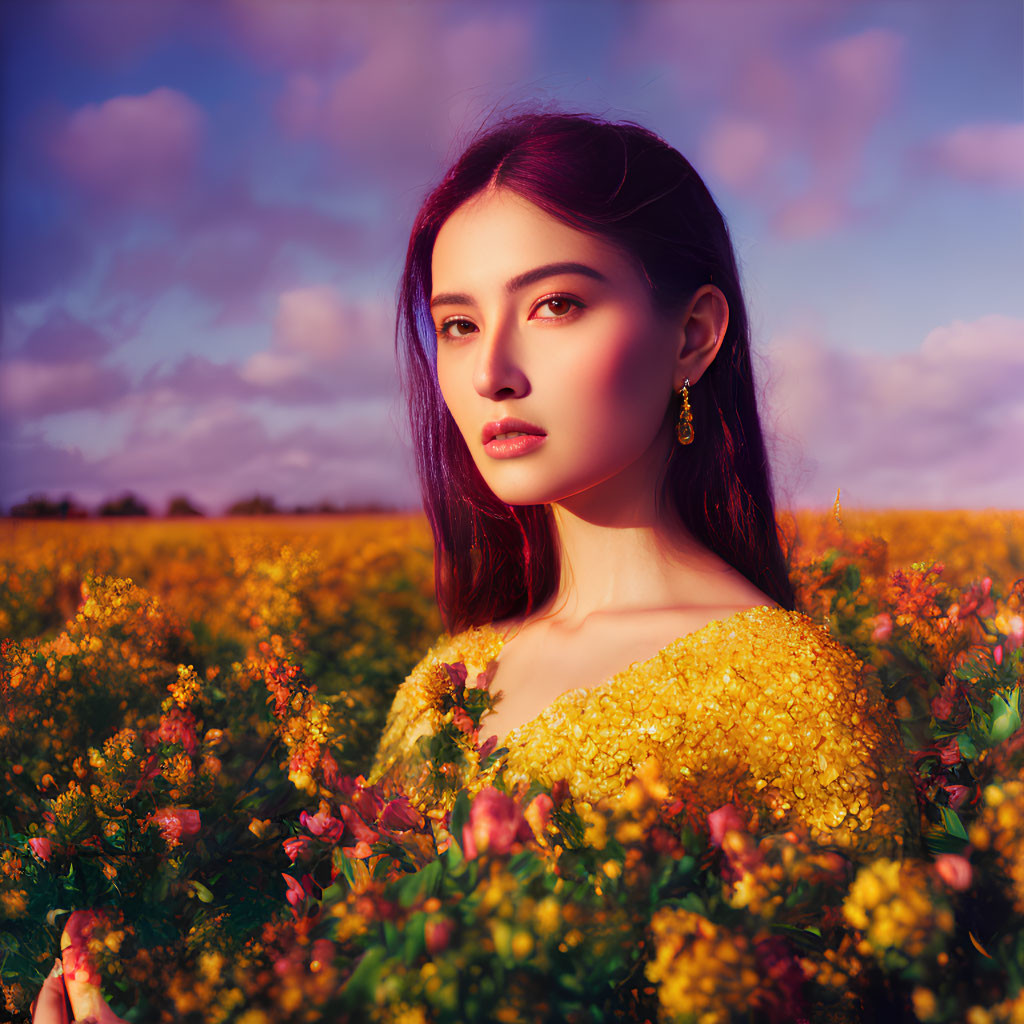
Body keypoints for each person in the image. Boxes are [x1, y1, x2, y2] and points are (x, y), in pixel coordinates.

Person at [371, 110, 916, 860]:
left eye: (554, 305)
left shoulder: (794, 695)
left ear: (692, 337)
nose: (492, 373)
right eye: (459, 325)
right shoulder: (435, 688)